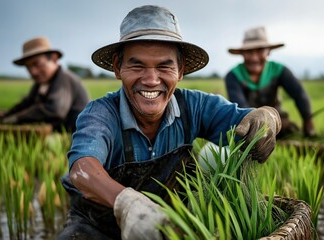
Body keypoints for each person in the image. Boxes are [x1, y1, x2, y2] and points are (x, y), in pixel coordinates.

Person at [58, 5, 281, 240]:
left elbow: (246, 120)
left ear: (180, 70)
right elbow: (83, 168)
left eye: (164, 66)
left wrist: (269, 117)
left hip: (170, 224)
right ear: (117, 67)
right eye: (137, 65)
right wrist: (126, 204)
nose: (152, 80)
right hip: (99, 227)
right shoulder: (101, 114)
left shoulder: (194, 106)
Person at [225, 26, 315, 138]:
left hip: (277, 123)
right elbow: (241, 108)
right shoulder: (234, 75)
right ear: (242, 53)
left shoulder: (279, 70)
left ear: (268, 52)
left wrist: (308, 120)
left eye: (260, 51)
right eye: (249, 52)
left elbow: (299, 95)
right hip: (245, 126)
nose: (254, 58)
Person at [0, 36, 89, 132]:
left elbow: (54, 110)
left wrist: (16, 118)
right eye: (28, 67)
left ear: (54, 59)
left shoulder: (63, 79)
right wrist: (8, 114)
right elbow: (28, 103)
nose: (33, 72)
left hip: (76, 137)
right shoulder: (42, 82)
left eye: (37, 64)